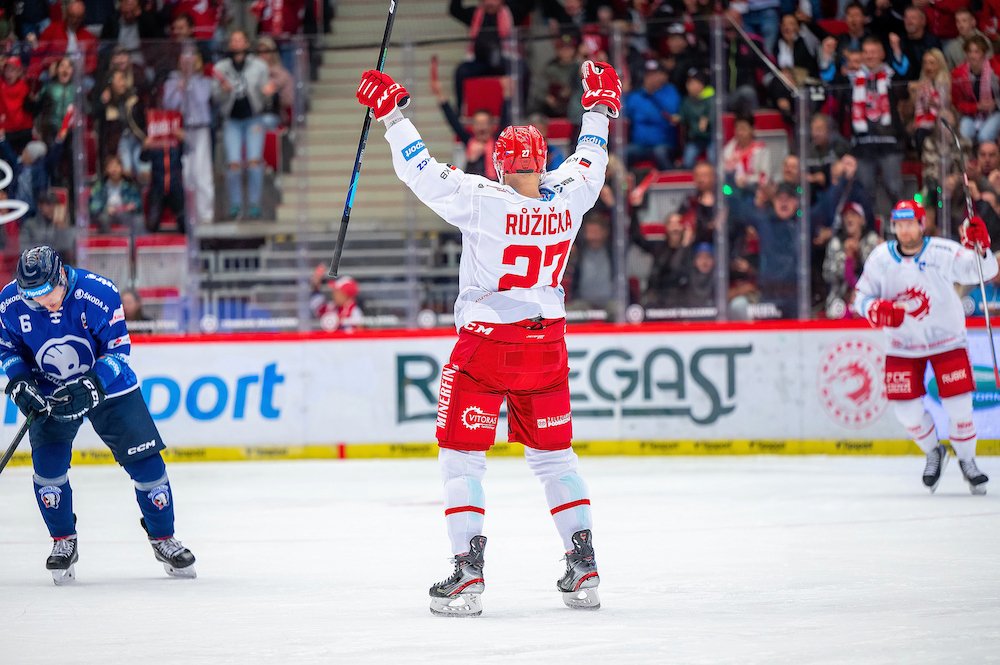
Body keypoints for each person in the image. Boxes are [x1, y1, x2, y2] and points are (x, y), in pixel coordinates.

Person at [355, 58, 621, 616]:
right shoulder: (571, 193)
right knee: (555, 458)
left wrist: (392, 115)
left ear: (500, 164)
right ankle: (584, 564)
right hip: (546, 345)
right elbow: (592, 156)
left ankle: (468, 574)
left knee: (462, 459)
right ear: (542, 161)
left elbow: (419, 169)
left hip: (487, 344)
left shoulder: (482, 198)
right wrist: (597, 106)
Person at [0, 246, 197, 583]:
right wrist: (19, 382)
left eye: (47, 293)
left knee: (147, 464)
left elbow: (118, 349)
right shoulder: (9, 302)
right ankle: (63, 540)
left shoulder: (98, 292)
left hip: (109, 386)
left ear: (61, 276)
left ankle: (164, 537)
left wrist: (95, 383)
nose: (43, 302)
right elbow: (8, 350)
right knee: (48, 470)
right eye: (33, 297)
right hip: (50, 390)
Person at [854, 201, 998, 494]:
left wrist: (981, 248)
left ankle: (968, 461)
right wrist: (874, 308)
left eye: (910, 223)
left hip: (947, 341)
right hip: (902, 345)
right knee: (906, 412)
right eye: (899, 224)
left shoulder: (942, 251)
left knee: (959, 407)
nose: (905, 230)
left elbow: (983, 272)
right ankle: (935, 452)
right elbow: (860, 297)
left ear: (921, 224)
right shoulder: (880, 258)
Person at [213, 30, 273, 220]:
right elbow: (215, 97)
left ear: (247, 43)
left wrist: (267, 92)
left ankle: (254, 204)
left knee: (254, 161)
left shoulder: (259, 66)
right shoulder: (221, 68)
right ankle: (235, 205)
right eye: (234, 40)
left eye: (240, 40)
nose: (237, 43)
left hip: (253, 118)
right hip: (232, 120)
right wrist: (223, 90)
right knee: (234, 164)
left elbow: (266, 96)